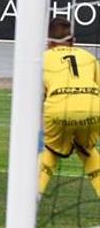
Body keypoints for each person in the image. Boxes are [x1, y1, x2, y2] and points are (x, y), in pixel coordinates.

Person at [37, 17, 100, 198]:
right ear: (73, 41)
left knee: (50, 149)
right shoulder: (88, 56)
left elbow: (37, 95)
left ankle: (34, 196)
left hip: (59, 109)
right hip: (93, 108)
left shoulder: (42, 58)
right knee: (87, 149)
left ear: (48, 42)